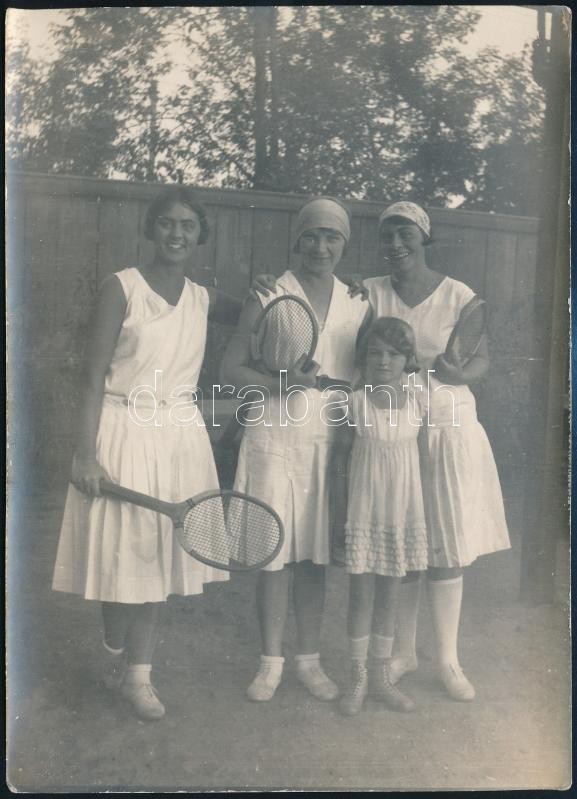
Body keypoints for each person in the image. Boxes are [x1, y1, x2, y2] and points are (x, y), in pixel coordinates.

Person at [52, 186, 243, 721]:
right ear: (151, 228)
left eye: (188, 225)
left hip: (179, 435)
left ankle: (139, 676)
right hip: (122, 429)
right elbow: (92, 376)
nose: (177, 234)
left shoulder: (205, 298)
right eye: (167, 223)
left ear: (199, 236)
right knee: (122, 559)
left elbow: (263, 311)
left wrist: (272, 289)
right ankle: (116, 649)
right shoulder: (122, 288)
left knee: (158, 556)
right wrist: (85, 454)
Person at [221, 197, 369, 703]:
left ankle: (308, 660)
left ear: (344, 243)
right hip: (274, 438)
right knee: (274, 556)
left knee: (313, 558)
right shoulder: (270, 292)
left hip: (328, 443)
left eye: (332, 237)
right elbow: (231, 369)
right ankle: (270, 664)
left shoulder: (359, 300)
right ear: (297, 240)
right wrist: (281, 384)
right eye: (311, 235)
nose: (321, 247)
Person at [362, 201, 511, 702]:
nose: (396, 244)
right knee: (405, 545)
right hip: (395, 430)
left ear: (424, 238)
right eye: (388, 236)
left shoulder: (459, 296)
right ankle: (404, 652)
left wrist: (458, 373)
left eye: (406, 234)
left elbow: (481, 361)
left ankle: (448, 659)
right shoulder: (369, 292)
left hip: (448, 427)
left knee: (446, 545)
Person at [337, 317, 428, 717]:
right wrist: (338, 518)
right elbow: (339, 463)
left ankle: (380, 676)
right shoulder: (353, 403)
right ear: (363, 358)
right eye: (375, 353)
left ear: (408, 359)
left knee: (390, 595)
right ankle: (357, 677)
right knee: (360, 595)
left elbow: (424, 462)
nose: (384, 361)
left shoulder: (419, 401)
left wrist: (422, 519)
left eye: (393, 354)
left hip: (401, 513)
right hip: (364, 510)